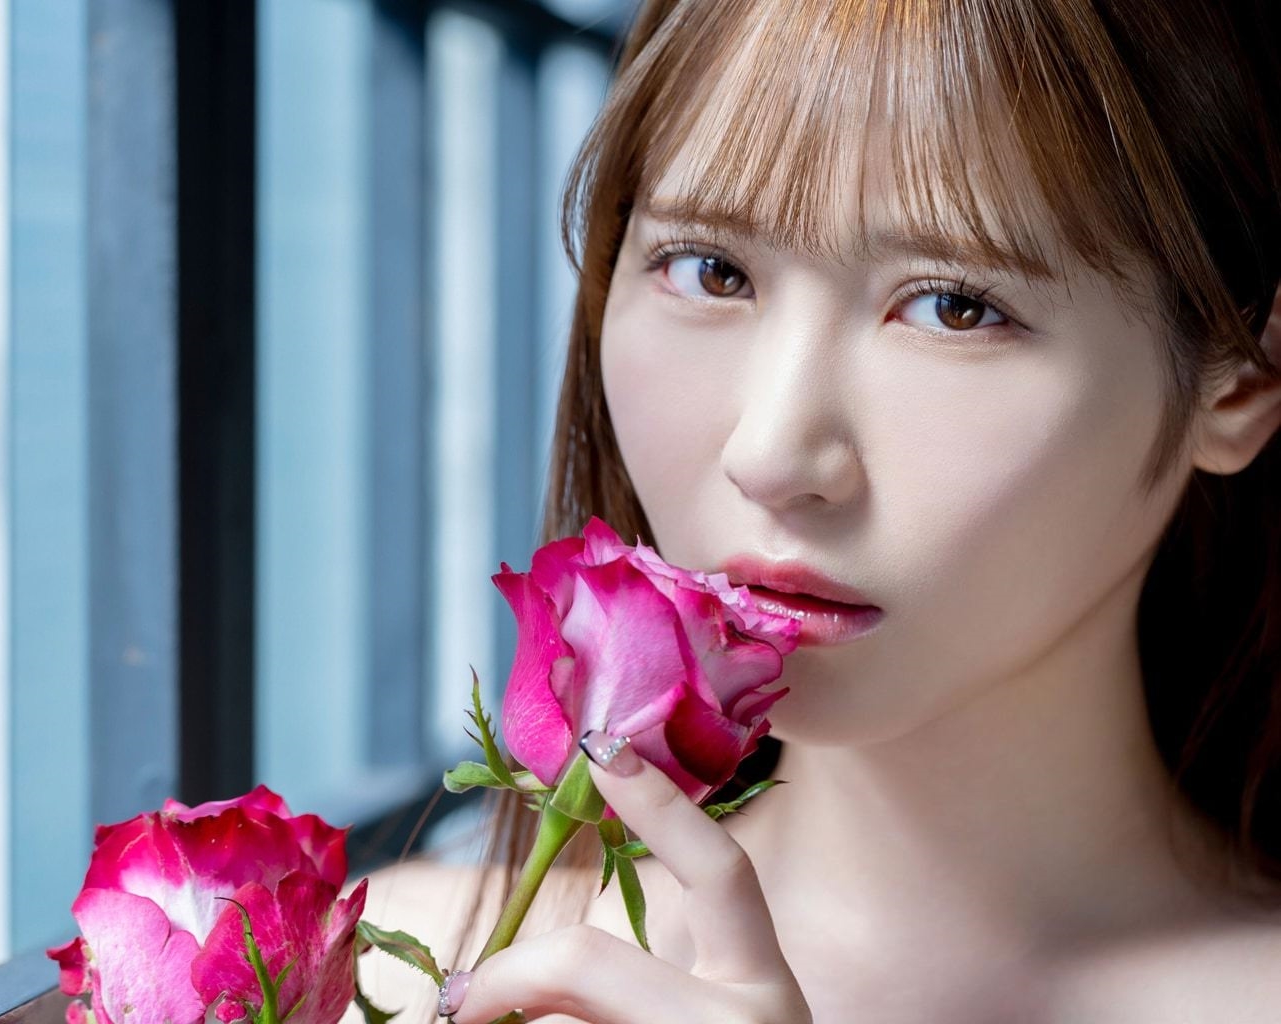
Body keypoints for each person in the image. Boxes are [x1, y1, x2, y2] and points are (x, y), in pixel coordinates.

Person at [359, 0, 1281, 1020]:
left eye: (955, 307)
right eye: (710, 271)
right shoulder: (386, 974)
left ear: (1241, 379)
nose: (770, 455)